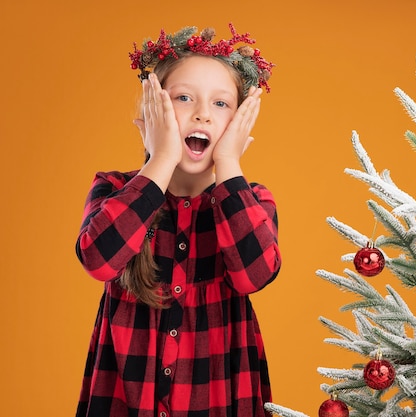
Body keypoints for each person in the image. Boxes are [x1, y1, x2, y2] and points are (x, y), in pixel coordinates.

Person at [75, 24, 281, 417]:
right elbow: (98, 259)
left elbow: (255, 275)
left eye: (221, 104)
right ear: (147, 118)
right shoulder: (115, 190)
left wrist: (230, 166)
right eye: (184, 98)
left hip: (221, 398)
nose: (203, 112)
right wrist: (162, 160)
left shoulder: (251, 200)